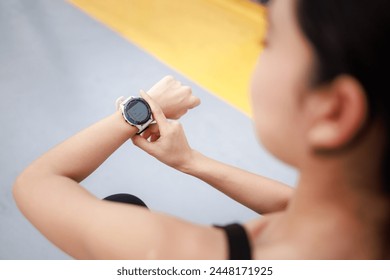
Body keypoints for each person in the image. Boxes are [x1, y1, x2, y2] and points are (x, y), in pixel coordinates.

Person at [13, 0, 390, 259]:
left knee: (121, 208)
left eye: (269, 40)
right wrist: (191, 161)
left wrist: (137, 113)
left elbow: (38, 182)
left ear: (334, 112)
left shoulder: (171, 254)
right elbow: (293, 204)